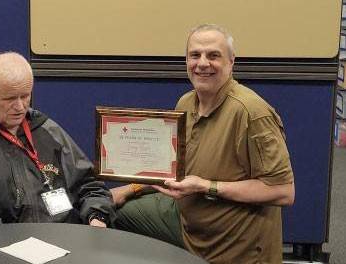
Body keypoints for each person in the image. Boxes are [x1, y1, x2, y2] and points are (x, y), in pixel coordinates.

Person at [112, 24, 295, 263]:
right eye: (195, 55)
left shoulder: (251, 112)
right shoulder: (186, 103)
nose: (202, 63)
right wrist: (127, 190)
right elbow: (169, 167)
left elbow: (283, 192)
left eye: (213, 55)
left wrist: (205, 186)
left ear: (231, 62)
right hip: (188, 223)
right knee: (109, 207)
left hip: (234, 247)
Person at [0, 51, 115, 229]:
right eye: (10, 98)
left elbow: (88, 185)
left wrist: (97, 216)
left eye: (25, 96)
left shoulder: (47, 129)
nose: (20, 107)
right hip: (8, 245)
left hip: (68, 236)